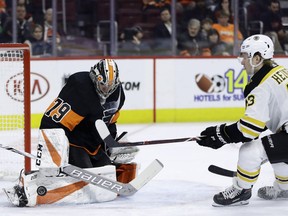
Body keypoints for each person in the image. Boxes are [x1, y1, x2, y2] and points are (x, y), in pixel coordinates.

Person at [4, 59, 139, 207]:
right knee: (87, 178)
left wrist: (111, 145)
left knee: (107, 171)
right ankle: (32, 185)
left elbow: (110, 121)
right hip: (74, 143)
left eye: (110, 86)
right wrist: (54, 155)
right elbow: (51, 122)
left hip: (94, 145)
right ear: (95, 78)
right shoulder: (80, 88)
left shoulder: (118, 94)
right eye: (103, 85)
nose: (106, 90)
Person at [196, 34, 288, 206]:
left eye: (245, 56)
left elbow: (249, 131)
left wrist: (220, 134)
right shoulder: (279, 70)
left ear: (257, 58)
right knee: (276, 148)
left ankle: (241, 190)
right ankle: (285, 188)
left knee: (250, 151)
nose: (241, 61)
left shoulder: (260, 85)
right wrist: (223, 133)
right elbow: (259, 124)